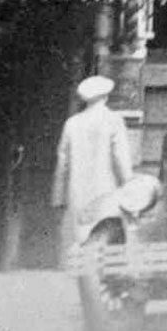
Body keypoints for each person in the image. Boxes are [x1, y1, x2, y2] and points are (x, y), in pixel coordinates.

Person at [51, 75, 134, 265]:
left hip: (78, 198)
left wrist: (58, 200)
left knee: (82, 246)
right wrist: (130, 194)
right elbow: (121, 161)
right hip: (107, 198)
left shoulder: (71, 124)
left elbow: (62, 166)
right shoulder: (114, 121)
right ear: (105, 97)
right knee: (110, 253)